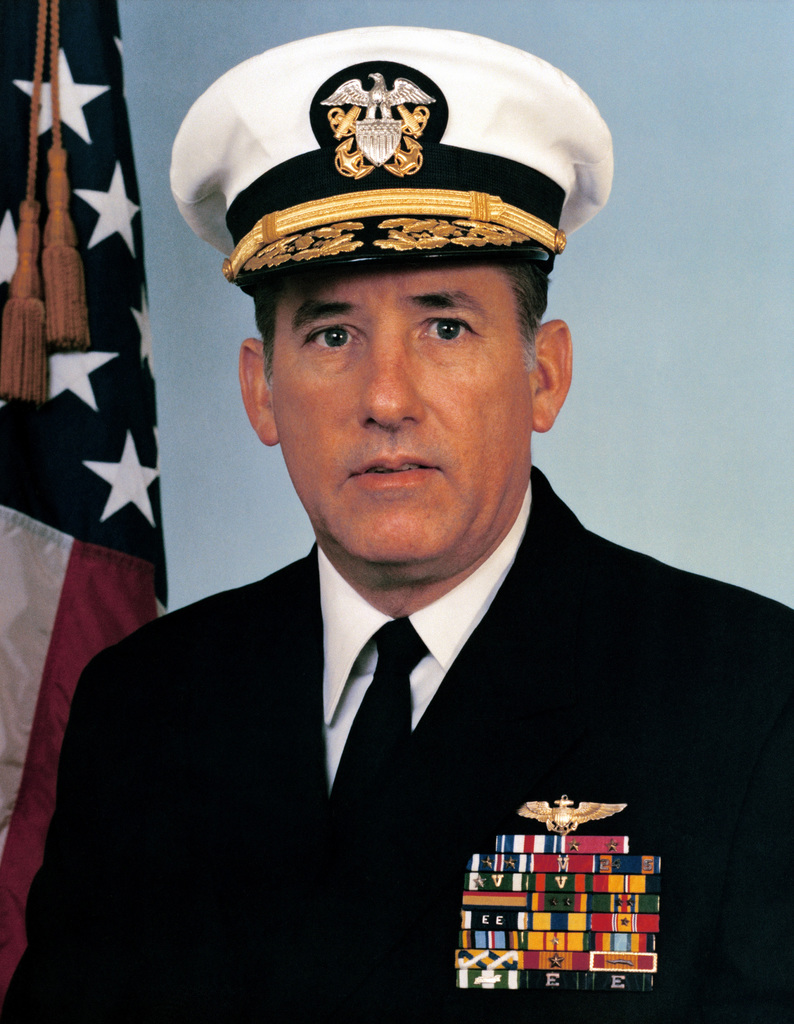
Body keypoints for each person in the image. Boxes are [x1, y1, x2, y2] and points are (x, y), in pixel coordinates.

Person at [3, 25, 793, 1024]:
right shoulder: (145, 708)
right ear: (260, 390)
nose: (385, 397)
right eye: (331, 334)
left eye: (445, 326)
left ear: (543, 374)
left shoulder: (747, 696)